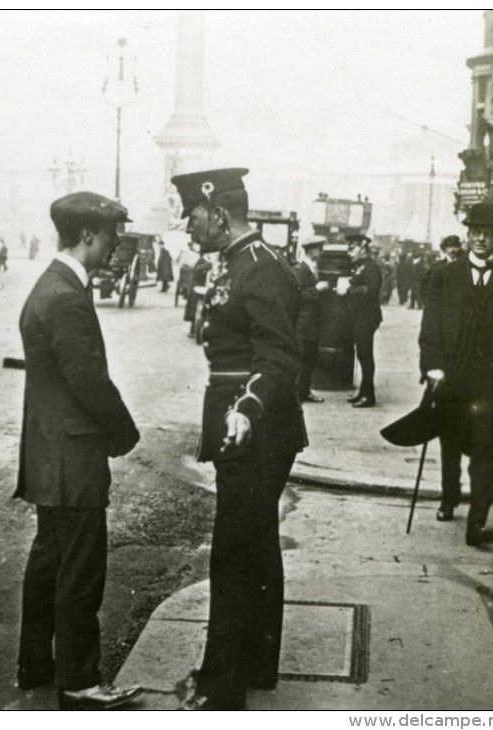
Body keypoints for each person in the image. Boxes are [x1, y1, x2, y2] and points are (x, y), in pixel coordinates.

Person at [170, 168, 307, 711]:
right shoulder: (238, 263)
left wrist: (247, 407)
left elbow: (278, 354)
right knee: (256, 544)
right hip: (244, 421)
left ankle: (220, 688)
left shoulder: (260, 270)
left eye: (194, 216)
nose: (188, 227)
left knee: (231, 553)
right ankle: (257, 663)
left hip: (254, 425)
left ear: (219, 214)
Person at [14, 191, 144, 710]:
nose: (117, 245)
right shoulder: (67, 296)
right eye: (112, 235)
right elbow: (89, 381)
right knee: (80, 572)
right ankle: (80, 683)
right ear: (89, 235)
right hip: (73, 456)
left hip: (50, 454)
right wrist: (124, 433)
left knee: (49, 561)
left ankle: (35, 665)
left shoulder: (51, 285)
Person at [419, 202, 493, 547]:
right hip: (453, 377)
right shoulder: (445, 276)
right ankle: (450, 498)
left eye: (488, 233)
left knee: (487, 453)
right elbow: (430, 326)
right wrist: (432, 366)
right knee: (451, 443)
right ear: (467, 233)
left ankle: (477, 523)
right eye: (475, 232)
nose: (481, 238)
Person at [344, 234, 382, 408]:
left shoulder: (371, 267)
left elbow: (371, 290)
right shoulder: (360, 266)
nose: (349, 252)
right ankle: (364, 391)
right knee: (362, 355)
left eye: (352, 248)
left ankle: (369, 395)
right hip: (360, 317)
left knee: (365, 356)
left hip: (367, 318)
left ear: (362, 248)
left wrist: (349, 290)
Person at [293, 236, 329, 403]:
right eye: (319, 248)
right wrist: (316, 289)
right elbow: (296, 297)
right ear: (310, 250)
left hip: (313, 324)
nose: (321, 252)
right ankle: (295, 395)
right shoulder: (299, 270)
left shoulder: (315, 268)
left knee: (310, 360)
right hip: (303, 324)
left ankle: (304, 391)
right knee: (301, 360)